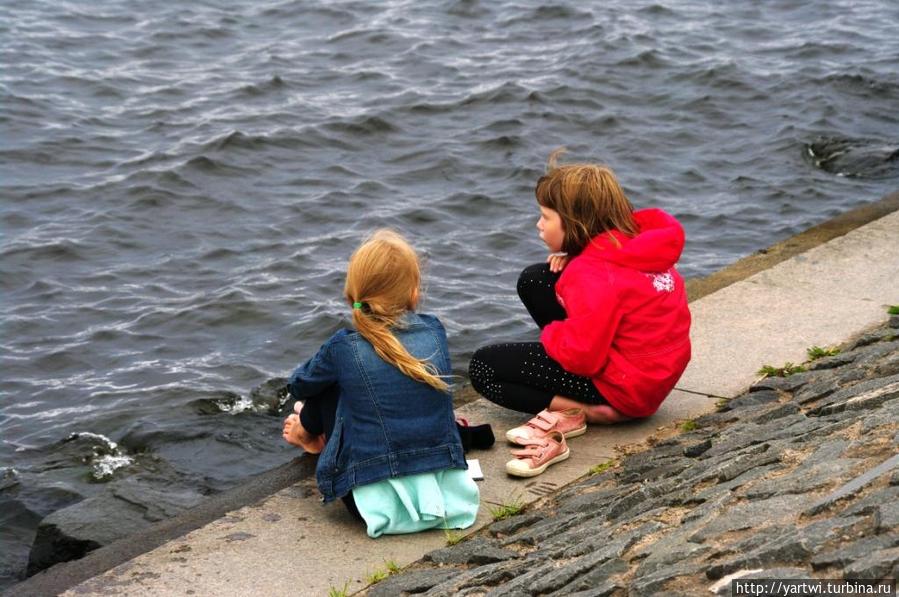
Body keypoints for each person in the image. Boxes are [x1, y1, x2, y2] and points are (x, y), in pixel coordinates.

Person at [469, 149, 692, 477]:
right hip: (655, 374)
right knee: (537, 279)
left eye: (546, 217)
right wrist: (574, 260)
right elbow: (615, 294)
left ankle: (592, 411)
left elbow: (583, 358)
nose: (538, 224)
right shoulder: (637, 245)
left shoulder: (592, 274)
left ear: (574, 223)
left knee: (485, 368)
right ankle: (596, 398)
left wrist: (552, 335)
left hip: (625, 391)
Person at [282, 229, 479, 537]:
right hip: (448, 497)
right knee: (366, 382)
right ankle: (311, 430)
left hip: (369, 503)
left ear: (352, 296)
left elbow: (299, 384)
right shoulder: (434, 331)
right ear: (414, 294)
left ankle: (307, 433)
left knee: (332, 384)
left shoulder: (343, 346)